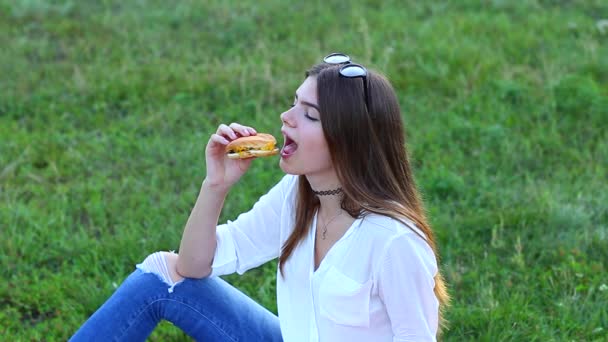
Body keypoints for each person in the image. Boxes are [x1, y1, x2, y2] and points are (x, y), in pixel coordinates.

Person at [70, 53, 450, 342]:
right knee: (161, 275)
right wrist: (215, 185)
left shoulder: (395, 242)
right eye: (293, 104)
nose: (286, 118)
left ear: (349, 140)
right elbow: (192, 265)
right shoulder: (298, 195)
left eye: (309, 115)